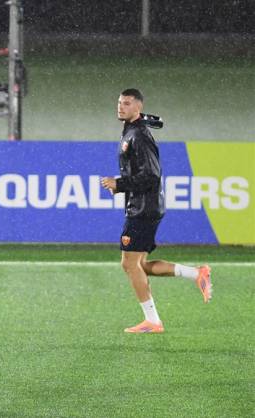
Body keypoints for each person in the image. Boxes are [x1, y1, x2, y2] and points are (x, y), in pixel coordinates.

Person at [101, 88, 212, 334]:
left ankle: (153, 321)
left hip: (143, 208)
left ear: (138, 106)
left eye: (127, 103)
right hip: (145, 205)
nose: (120, 106)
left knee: (129, 265)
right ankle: (197, 274)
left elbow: (151, 176)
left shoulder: (139, 135)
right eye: (119, 102)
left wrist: (119, 184)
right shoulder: (134, 129)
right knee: (140, 264)